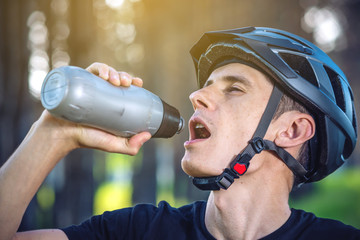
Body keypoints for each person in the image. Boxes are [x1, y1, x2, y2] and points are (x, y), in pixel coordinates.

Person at [0, 27, 359, 240]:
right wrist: (53, 133)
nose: (196, 96)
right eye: (206, 86)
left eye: (234, 89)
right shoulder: (138, 231)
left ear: (293, 130)